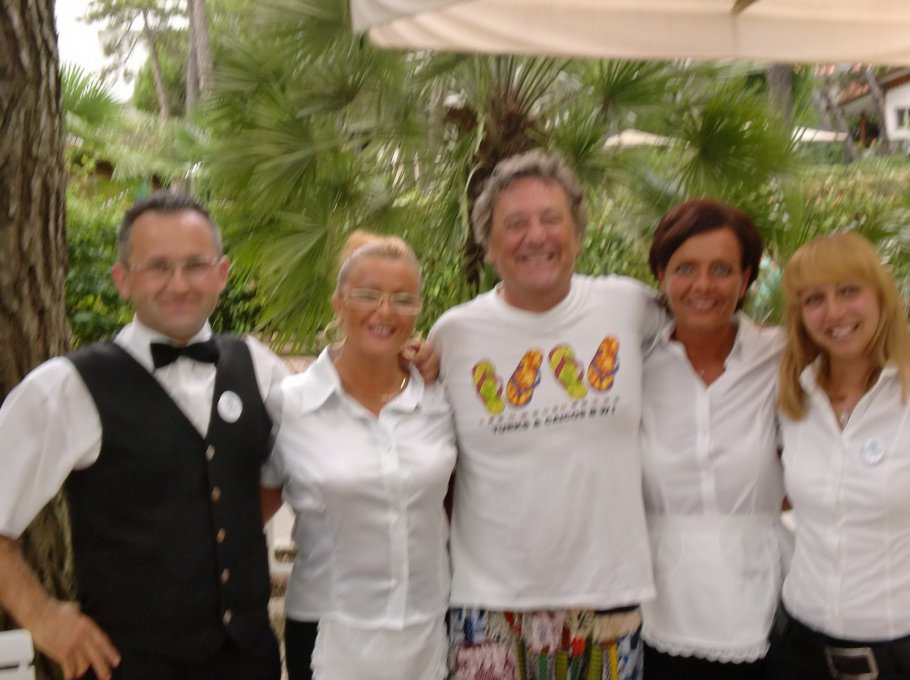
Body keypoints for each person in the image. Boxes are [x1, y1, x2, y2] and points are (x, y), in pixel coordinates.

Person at [0, 192, 290, 680]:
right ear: (123, 280)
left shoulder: (261, 367)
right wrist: (42, 618)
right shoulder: (65, 387)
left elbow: (307, 454)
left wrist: (414, 369)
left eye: (195, 265)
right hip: (127, 665)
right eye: (157, 267)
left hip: (249, 661)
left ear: (221, 274)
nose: (179, 284)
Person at [430, 149, 662, 680]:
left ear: (577, 233)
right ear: (489, 244)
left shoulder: (630, 307)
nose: (535, 236)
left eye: (551, 219)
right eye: (515, 224)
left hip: (607, 603)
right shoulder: (454, 335)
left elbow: (709, 329)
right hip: (489, 609)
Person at [261, 231, 456, 680]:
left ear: (418, 310)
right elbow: (245, 515)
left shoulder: (439, 400)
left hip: (429, 630)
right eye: (367, 294)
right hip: (329, 635)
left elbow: (455, 503)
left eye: (403, 299)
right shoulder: (289, 405)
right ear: (338, 304)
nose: (385, 311)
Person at [639, 199, 785, 679]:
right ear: (661, 275)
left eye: (722, 269)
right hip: (656, 612)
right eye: (685, 268)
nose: (703, 285)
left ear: (746, 280)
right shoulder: (631, 365)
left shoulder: (782, 356)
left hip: (765, 607)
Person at [768, 231, 910, 680]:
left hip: (896, 653)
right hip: (797, 647)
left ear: (881, 296)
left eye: (849, 291)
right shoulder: (792, 399)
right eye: (814, 299)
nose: (834, 313)